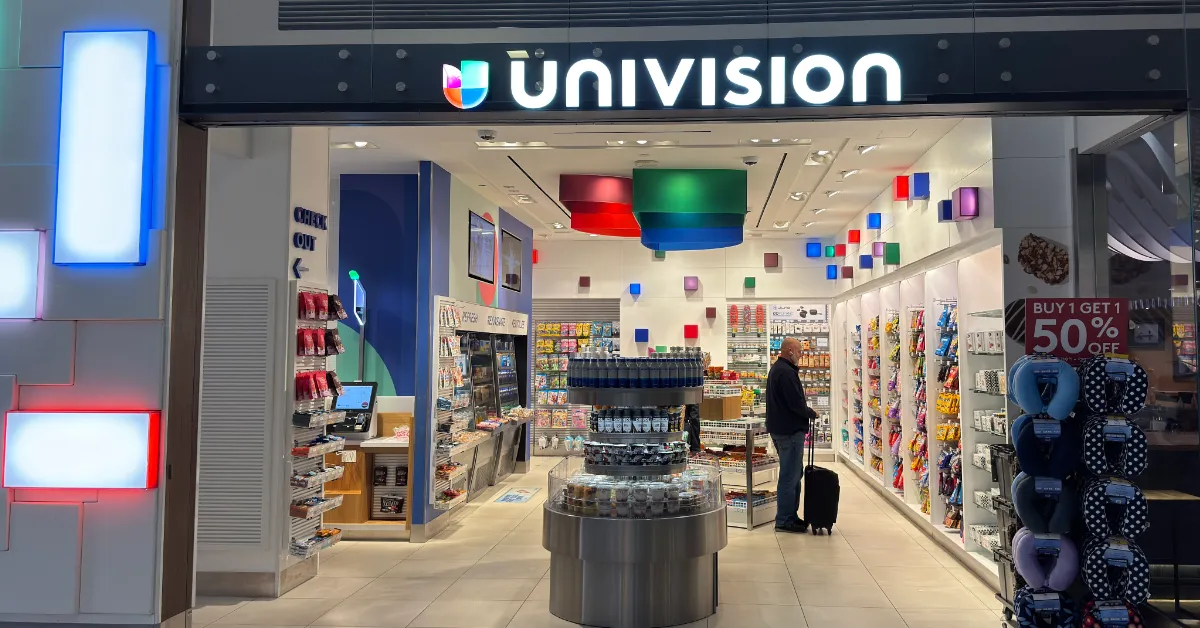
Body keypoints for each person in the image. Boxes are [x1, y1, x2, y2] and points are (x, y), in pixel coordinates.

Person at [766, 337, 819, 533]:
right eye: (799, 351)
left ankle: (791, 516)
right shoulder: (786, 372)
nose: (801, 355)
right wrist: (810, 413)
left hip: (782, 428)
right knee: (790, 475)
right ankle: (785, 519)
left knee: (793, 473)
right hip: (789, 431)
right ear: (789, 351)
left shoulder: (779, 369)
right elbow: (794, 404)